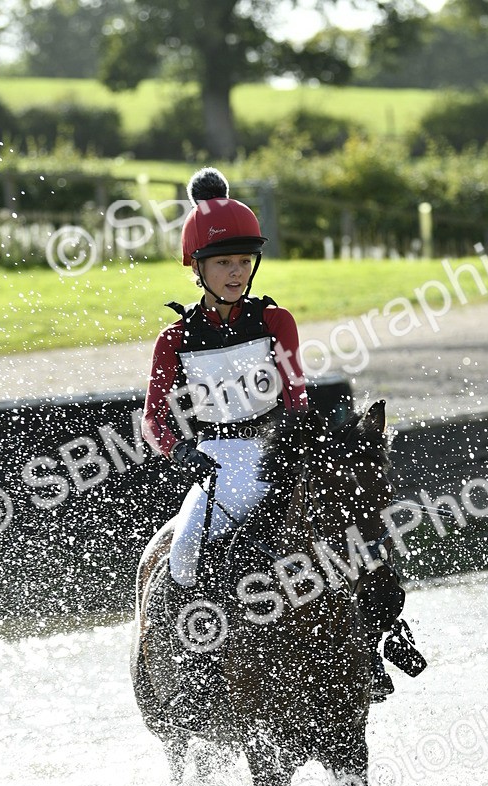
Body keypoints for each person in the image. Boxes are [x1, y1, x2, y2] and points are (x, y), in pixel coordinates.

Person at [141, 166, 397, 700]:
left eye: (244, 262)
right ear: (198, 268)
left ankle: (371, 647)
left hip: (276, 450)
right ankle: (186, 667)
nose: (236, 272)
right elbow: (154, 421)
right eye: (224, 263)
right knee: (183, 551)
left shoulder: (275, 321)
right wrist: (178, 450)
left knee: (347, 531)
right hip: (213, 459)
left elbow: (296, 394)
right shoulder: (174, 339)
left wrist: (301, 447)